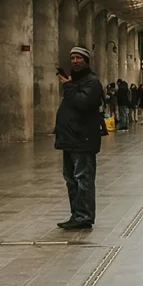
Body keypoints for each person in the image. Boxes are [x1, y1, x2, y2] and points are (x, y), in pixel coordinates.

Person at [55, 46, 104, 230]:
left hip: (83, 139)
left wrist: (68, 85)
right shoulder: (75, 82)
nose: (75, 61)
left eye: (79, 58)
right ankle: (76, 214)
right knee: (70, 179)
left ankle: (84, 216)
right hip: (70, 139)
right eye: (72, 57)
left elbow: (82, 103)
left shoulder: (92, 82)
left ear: (86, 60)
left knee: (83, 178)